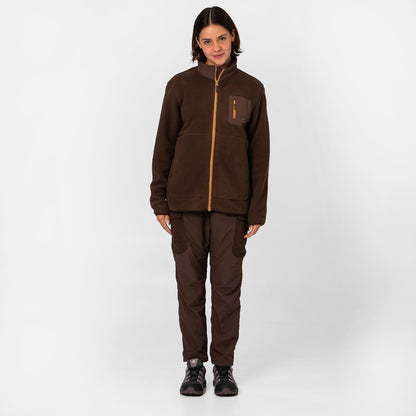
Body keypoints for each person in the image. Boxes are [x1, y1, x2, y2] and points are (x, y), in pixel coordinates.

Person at [150, 6, 270, 396]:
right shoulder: (180, 86)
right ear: (197, 44)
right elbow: (164, 144)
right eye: (207, 41)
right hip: (184, 204)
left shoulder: (251, 89)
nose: (215, 47)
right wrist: (159, 200)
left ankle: (223, 367)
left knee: (226, 289)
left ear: (233, 36)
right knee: (190, 287)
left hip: (233, 207)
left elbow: (260, 154)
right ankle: (194, 366)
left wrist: (256, 208)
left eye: (221, 38)